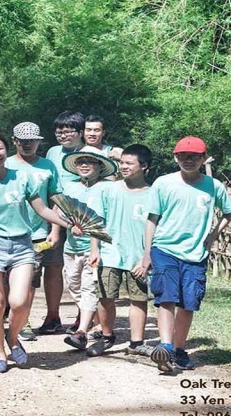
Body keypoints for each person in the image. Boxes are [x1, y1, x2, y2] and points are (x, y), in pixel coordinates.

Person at [0, 130, 83, 373]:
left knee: (19, 302)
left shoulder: (21, 178)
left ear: (6, 149)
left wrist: (68, 224)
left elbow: (42, 210)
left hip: (21, 245)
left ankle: (12, 337)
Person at [139, 136, 231, 372]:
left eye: (194, 156)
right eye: (183, 156)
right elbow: (152, 219)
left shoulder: (214, 186)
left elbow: (229, 213)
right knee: (166, 298)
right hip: (165, 248)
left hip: (195, 253)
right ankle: (165, 347)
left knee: (188, 302)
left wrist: (212, 237)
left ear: (204, 158)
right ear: (175, 158)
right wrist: (147, 252)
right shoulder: (163, 183)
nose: (188, 160)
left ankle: (179, 349)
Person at [87, 145, 153, 357]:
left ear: (144, 166)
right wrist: (94, 249)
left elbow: (157, 228)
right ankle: (106, 337)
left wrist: (147, 257)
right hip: (109, 253)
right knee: (105, 296)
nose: (123, 167)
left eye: (129, 163)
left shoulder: (154, 194)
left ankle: (137, 343)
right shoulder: (108, 190)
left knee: (138, 298)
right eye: (121, 162)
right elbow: (96, 221)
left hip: (138, 256)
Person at [3, 122, 62, 341]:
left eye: (32, 141)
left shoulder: (47, 166)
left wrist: (55, 229)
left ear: (38, 142)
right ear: (14, 141)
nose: (27, 144)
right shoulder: (5, 164)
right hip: (11, 231)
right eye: (23, 141)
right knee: (12, 279)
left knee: (33, 278)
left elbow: (55, 198)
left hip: (40, 232)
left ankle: (27, 321)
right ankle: (14, 318)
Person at [58, 146, 117, 351]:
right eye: (80, 161)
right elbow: (59, 211)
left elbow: (109, 217)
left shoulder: (108, 188)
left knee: (88, 287)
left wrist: (97, 246)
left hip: (96, 248)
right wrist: (68, 225)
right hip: (71, 246)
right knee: (73, 285)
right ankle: (95, 322)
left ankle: (81, 332)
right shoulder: (69, 186)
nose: (84, 165)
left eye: (90, 161)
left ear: (100, 166)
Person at [40, 111, 86, 334]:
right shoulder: (52, 152)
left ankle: (83, 316)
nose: (63, 135)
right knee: (53, 265)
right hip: (55, 217)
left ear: (81, 132)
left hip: (83, 219)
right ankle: (53, 315)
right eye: (59, 132)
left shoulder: (91, 153)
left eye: (68, 131)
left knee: (82, 268)